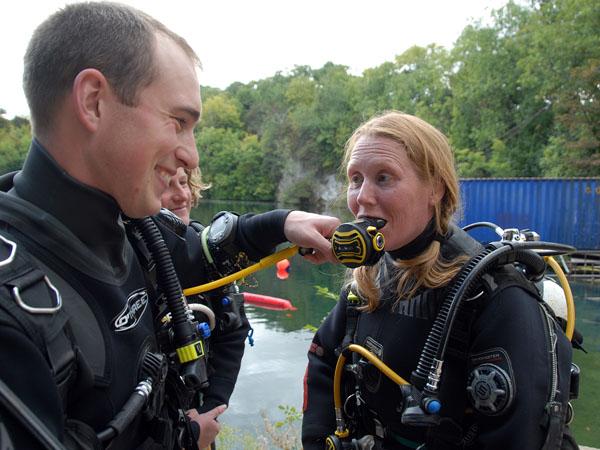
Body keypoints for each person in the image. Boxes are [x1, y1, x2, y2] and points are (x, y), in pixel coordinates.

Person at [0, 3, 340, 450]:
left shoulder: (132, 230)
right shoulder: (13, 310)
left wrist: (285, 222)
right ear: (93, 102)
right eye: (178, 123)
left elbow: (209, 251)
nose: (192, 157)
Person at [301, 111, 576, 449]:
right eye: (355, 179)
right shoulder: (368, 281)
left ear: (435, 189)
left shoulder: (495, 298)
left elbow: (517, 435)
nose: (362, 197)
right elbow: (324, 360)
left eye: (384, 178)